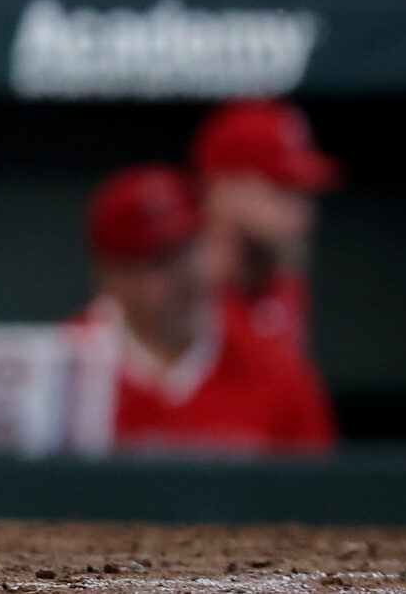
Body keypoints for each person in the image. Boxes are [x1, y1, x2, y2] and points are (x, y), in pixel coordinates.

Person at [74, 163, 334, 454]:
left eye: (178, 259)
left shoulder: (275, 368)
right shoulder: (64, 367)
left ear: (207, 251)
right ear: (106, 275)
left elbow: (318, 492)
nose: (161, 287)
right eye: (144, 265)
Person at [192, 99, 340, 354]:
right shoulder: (166, 304)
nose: (304, 214)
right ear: (224, 190)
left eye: (305, 194)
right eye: (283, 192)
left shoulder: (286, 288)